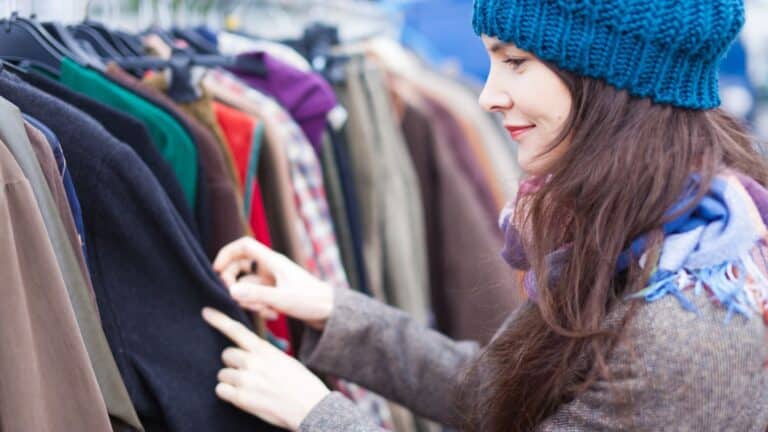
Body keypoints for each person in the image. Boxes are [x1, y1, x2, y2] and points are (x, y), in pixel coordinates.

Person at [202, 0, 768, 430]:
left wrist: (317, 413)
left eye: (515, 62)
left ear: (609, 79)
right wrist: (333, 311)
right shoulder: (651, 232)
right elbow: (505, 393)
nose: (487, 95)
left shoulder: (686, 329)